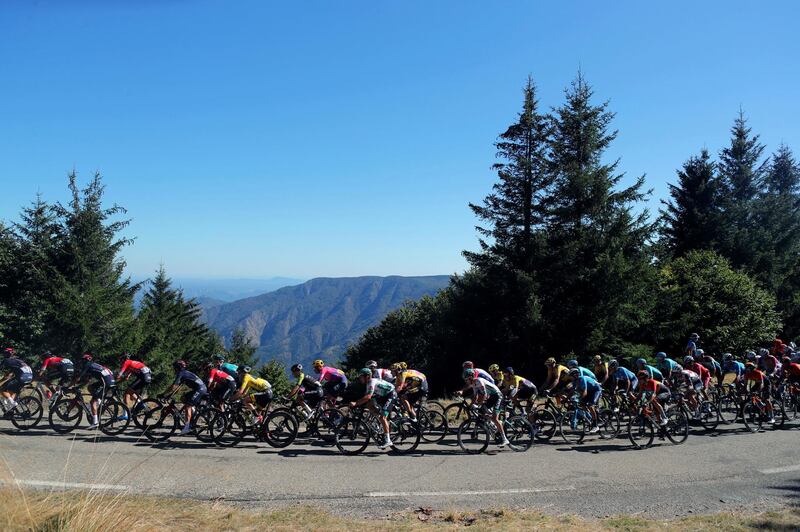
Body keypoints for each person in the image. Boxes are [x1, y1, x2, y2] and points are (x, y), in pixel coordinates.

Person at [457, 369, 509, 447]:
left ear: (471, 377)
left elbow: (484, 394)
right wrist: (471, 405)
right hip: (492, 396)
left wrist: (479, 404)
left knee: (494, 418)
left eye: (467, 379)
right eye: (465, 380)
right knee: (482, 411)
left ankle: (505, 439)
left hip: (498, 396)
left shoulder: (479, 381)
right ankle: (495, 422)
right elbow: (475, 396)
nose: (466, 381)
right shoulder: (473, 384)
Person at [350, 368, 397, 449]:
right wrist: (358, 403)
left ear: (367, 376)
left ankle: (388, 440)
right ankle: (380, 420)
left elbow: (368, 397)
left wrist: (356, 403)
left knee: (383, 417)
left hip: (391, 394)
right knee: (368, 404)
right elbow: (366, 397)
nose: (360, 379)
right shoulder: (368, 383)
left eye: (361, 377)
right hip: (383, 395)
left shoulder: (371, 382)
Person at [161, 360, 208, 435]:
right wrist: (169, 395)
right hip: (199, 389)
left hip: (200, 389)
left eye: (175, 367)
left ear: (178, 367)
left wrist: (163, 394)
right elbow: (177, 388)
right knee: (183, 398)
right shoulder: (184, 373)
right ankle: (192, 413)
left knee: (188, 406)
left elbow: (174, 386)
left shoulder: (181, 373)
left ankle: (187, 427)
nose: (174, 369)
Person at [72, 353, 115, 429]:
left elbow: (79, 377)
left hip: (106, 382)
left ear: (85, 360)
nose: (82, 362)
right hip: (108, 380)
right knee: (90, 387)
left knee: (92, 402)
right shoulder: (93, 365)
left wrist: (71, 385)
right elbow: (88, 380)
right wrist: (79, 386)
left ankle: (95, 422)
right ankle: (98, 400)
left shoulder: (88, 365)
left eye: (83, 361)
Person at [0, 348, 33, 414]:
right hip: (29, 376)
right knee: (10, 391)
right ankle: (11, 410)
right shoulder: (16, 360)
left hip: (22, 377)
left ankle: (13, 404)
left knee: (2, 389)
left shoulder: (6, 360)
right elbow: (9, 374)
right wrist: (1, 380)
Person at [569, 367, 602, 433]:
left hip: (596, 390)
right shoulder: (574, 381)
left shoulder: (582, 379)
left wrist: (578, 399)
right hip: (589, 391)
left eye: (571, 376)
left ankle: (596, 426)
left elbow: (585, 392)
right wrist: (567, 398)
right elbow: (572, 391)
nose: (570, 378)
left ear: (575, 375)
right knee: (582, 404)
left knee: (590, 405)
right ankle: (590, 417)